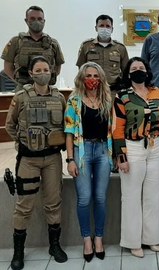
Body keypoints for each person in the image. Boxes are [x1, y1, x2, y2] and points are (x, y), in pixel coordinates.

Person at [5, 56, 68, 270]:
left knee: (53, 202)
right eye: (39, 70)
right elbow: (10, 125)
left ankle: (54, 245)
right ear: (31, 74)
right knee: (24, 207)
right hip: (28, 161)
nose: (44, 73)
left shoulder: (59, 97)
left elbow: (65, 126)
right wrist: (24, 143)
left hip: (52, 159)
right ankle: (18, 252)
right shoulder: (21, 97)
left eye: (46, 69)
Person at [112, 57, 159, 258]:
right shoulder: (122, 96)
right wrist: (121, 156)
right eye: (134, 68)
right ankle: (133, 241)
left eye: (141, 68)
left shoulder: (157, 92)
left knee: (153, 195)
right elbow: (117, 128)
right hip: (132, 147)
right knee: (131, 196)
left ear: (147, 71)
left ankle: (152, 239)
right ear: (129, 73)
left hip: (155, 147)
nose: (138, 71)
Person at [64, 62, 113, 262]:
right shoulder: (74, 101)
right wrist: (70, 160)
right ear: (82, 78)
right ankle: (86, 239)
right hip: (81, 152)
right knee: (84, 198)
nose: (92, 79)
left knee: (100, 198)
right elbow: (68, 132)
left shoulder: (107, 100)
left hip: (102, 152)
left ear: (101, 78)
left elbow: (114, 130)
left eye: (95, 75)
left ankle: (99, 238)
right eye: (88, 75)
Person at [1, 6, 64, 91]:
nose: (36, 21)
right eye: (32, 18)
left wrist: (44, 80)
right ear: (26, 21)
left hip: (46, 90)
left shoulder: (53, 43)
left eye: (39, 19)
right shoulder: (16, 41)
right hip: (23, 90)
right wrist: (19, 82)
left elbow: (58, 67)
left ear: (44, 21)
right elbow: (7, 68)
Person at [76, 14, 129, 92]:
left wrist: (121, 84)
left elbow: (126, 70)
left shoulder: (120, 48)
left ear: (112, 29)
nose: (105, 28)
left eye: (108, 26)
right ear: (96, 28)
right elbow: (81, 69)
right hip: (91, 90)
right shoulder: (86, 46)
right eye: (101, 26)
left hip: (113, 91)